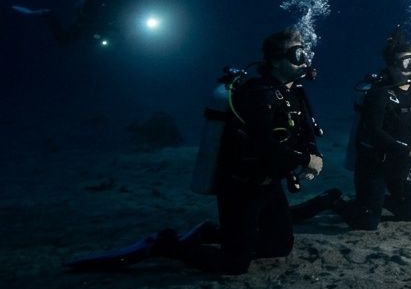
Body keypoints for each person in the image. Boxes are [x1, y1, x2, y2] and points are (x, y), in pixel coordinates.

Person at [66, 28, 325, 274]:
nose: (304, 60)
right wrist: (305, 160)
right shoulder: (257, 94)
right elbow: (264, 146)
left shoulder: (293, 93)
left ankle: (211, 232)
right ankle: (165, 245)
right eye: (297, 55)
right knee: (233, 265)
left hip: (269, 183)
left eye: (304, 53)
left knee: (278, 247)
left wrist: (314, 154)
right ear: (275, 60)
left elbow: (306, 129)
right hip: (241, 185)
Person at [307, 28, 411, 229]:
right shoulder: (379, 94)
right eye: (405, 64)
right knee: (367, 223)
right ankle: (333, 200)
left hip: (401, 165)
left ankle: (371, 203)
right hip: (374, 167)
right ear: (392, 66)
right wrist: (409, 150)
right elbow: (374, 133)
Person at [13, 0, 136, 46]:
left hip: (91, 23)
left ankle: (48, 15)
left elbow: (111, 20)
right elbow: (104, 17)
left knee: (65, 39)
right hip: (88, 22)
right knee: (64, 40)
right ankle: (48, 14)